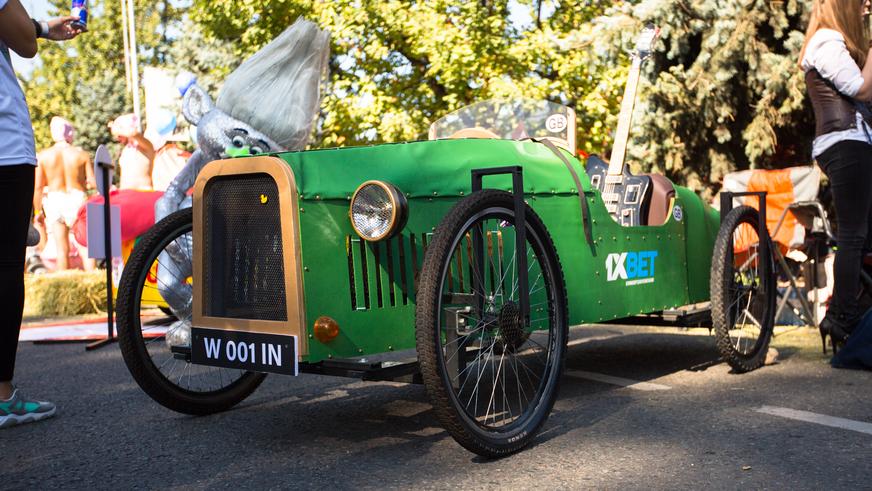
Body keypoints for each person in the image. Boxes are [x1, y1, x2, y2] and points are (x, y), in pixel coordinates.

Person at [0, 0, 84, 428]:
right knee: (5, 268)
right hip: (3, 149)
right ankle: (1, 396)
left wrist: (43, 27)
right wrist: (37, 31)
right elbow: (23, 43)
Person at [800, 0, 872, 351]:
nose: (867, 7)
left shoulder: (833, 42)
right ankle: (842, 317)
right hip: (845, 143)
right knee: (853, 234)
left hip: (852, 143)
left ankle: (852, 309)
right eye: (861, 2)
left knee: (861, 234)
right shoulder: (826, 40)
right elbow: (861, 88)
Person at [34, 116, 95, 270]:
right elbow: (93, 182)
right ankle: (92, 280)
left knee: (62, 250)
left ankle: (64, 286)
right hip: (77, 198)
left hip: (54, 200)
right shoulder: (81, 155)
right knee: (85, 247)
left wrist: (37, 211)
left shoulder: (43, 156)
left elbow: (38, 187)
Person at [109, 113, 155, 190]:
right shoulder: (126, 150)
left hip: (143, 193)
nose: (117, 137)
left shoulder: (147, 145)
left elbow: (133, 133)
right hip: (127, 194)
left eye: (119, 135)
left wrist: (116, 129)